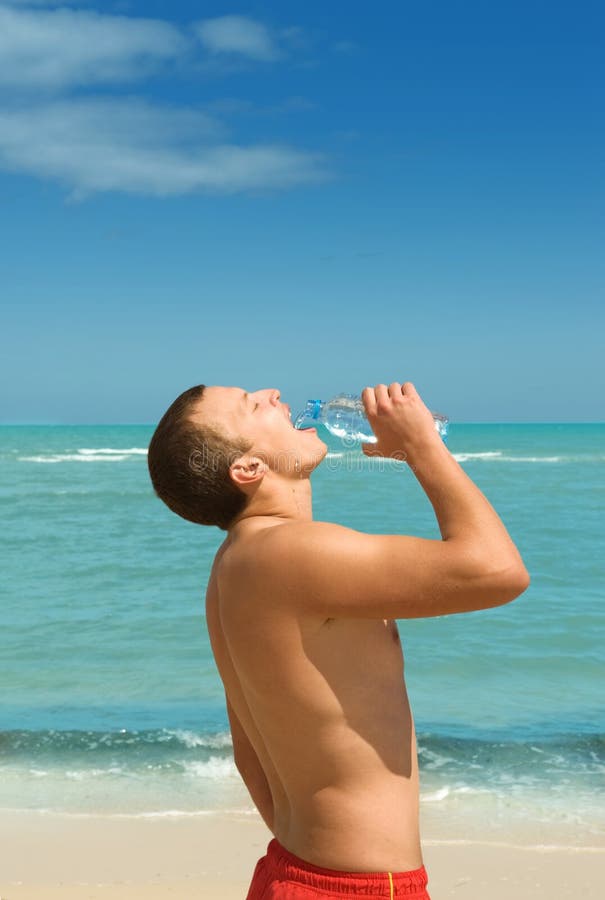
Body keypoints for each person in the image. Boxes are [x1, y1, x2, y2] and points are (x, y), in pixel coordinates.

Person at [147, 381, 530, 899]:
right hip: (353, 887)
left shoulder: (233, 568)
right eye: (249, 405)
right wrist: (421, 447)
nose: (271, 392)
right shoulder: (291, 553)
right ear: (249, 469)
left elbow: (249, 755)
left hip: (293, 871)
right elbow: (498, 570)